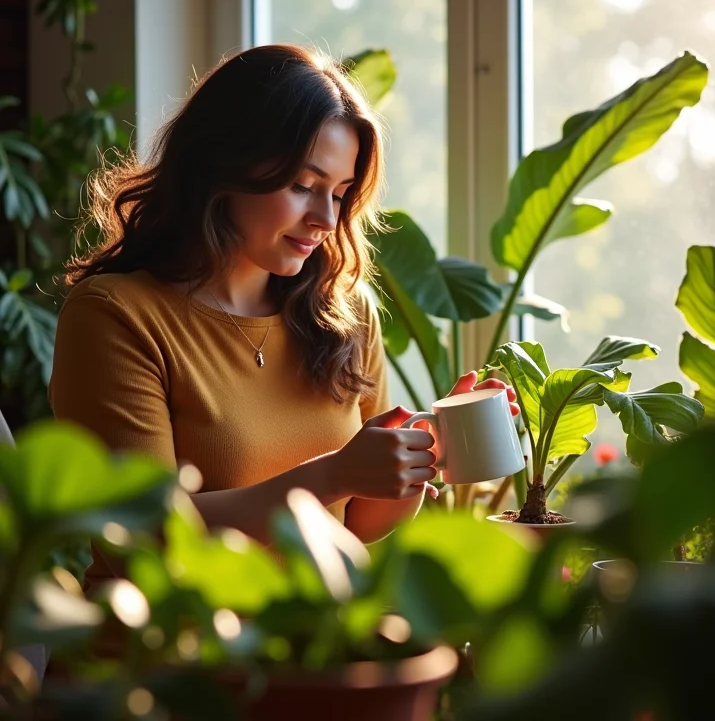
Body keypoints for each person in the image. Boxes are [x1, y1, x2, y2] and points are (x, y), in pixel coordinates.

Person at [49, 44, 518, 589]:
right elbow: (143, 540)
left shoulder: (343, 313)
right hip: (166, 658)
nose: (325, 218)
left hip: (316, 652)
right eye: (302, 186)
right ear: (222, 161)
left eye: (340, 194)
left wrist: (418, 456)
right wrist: (335, 473)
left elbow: (360, 524)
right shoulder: (116, 316)